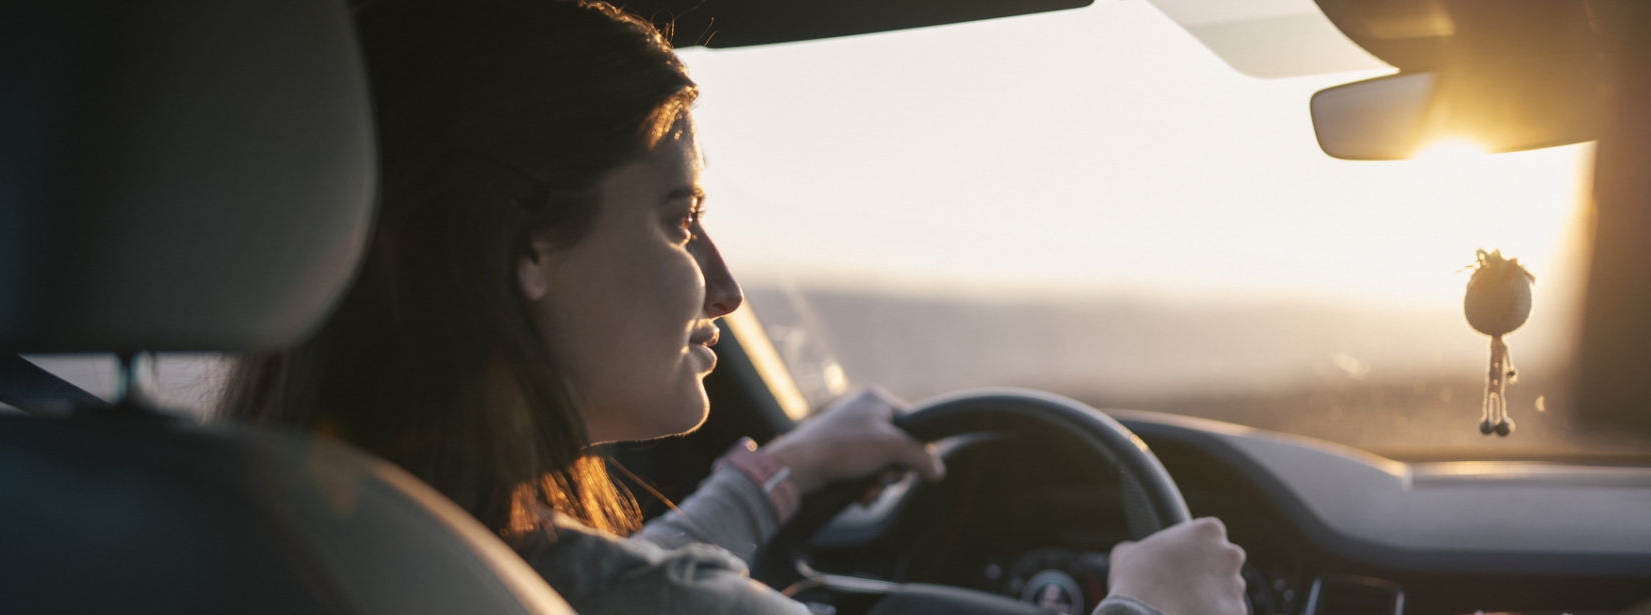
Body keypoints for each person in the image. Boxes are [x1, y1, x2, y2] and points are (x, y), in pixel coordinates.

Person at [221, 1, 1248, 613]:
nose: (723, 285)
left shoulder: (268, 516)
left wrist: (778, 474)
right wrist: (1159, 603)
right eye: (676, 222)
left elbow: (592, 580)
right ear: (527, 246)